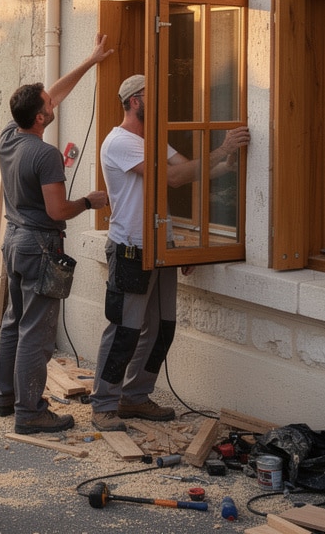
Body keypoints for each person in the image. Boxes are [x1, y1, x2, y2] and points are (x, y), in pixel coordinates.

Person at [89, 74, 250, 431]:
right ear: (134, 101)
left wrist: (225, 166)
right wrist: (221, 151)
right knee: (124, 331)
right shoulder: (120, 143)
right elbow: (173, 180)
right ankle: (103, 403)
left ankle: (135, 397)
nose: (160, 103)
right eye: (152, 97)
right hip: (131, 248)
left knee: (163, 328)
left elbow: (184, 169)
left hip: (161, 247)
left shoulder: (154, 141)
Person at [0, 35, 112, 435]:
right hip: (40, 246)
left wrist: (91, 60)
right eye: (48, 106)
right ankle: (30, 413)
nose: (52, 104)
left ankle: (5, 399)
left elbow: (53, 94)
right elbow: (58, 210)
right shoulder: (44, 155)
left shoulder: (11, 136)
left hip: (13, 242)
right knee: (36, 334)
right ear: (41, 118)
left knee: (13, 322)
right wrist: (90, 202)